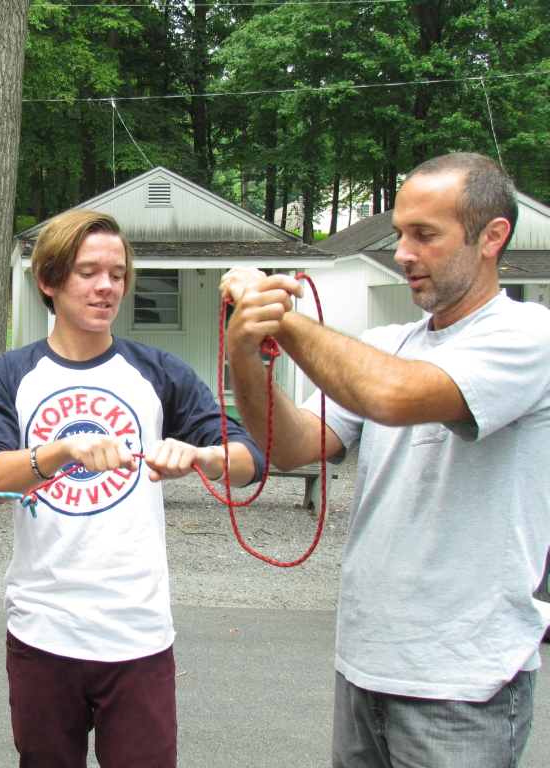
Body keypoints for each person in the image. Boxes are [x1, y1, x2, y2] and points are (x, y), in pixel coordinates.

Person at [221, 152, 550, 767]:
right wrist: (246, 351)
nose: (402, 252)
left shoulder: (530, 336)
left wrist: (280, 316)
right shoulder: (387, 344)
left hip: (464, 684)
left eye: (424, 234)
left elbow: (393, 396)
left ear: (491, 237)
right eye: (400, 233)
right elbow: (291, 446)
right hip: (365, 665)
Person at [0, 209, 265, 768]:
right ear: (49, 281)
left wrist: (203, 457)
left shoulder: (158, 371)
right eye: (88, 272)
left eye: (118, 274)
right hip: (42, 631)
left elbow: (250, 460)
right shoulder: (10, 374)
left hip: (137, 633)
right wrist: (61, 450)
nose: (107, 286)